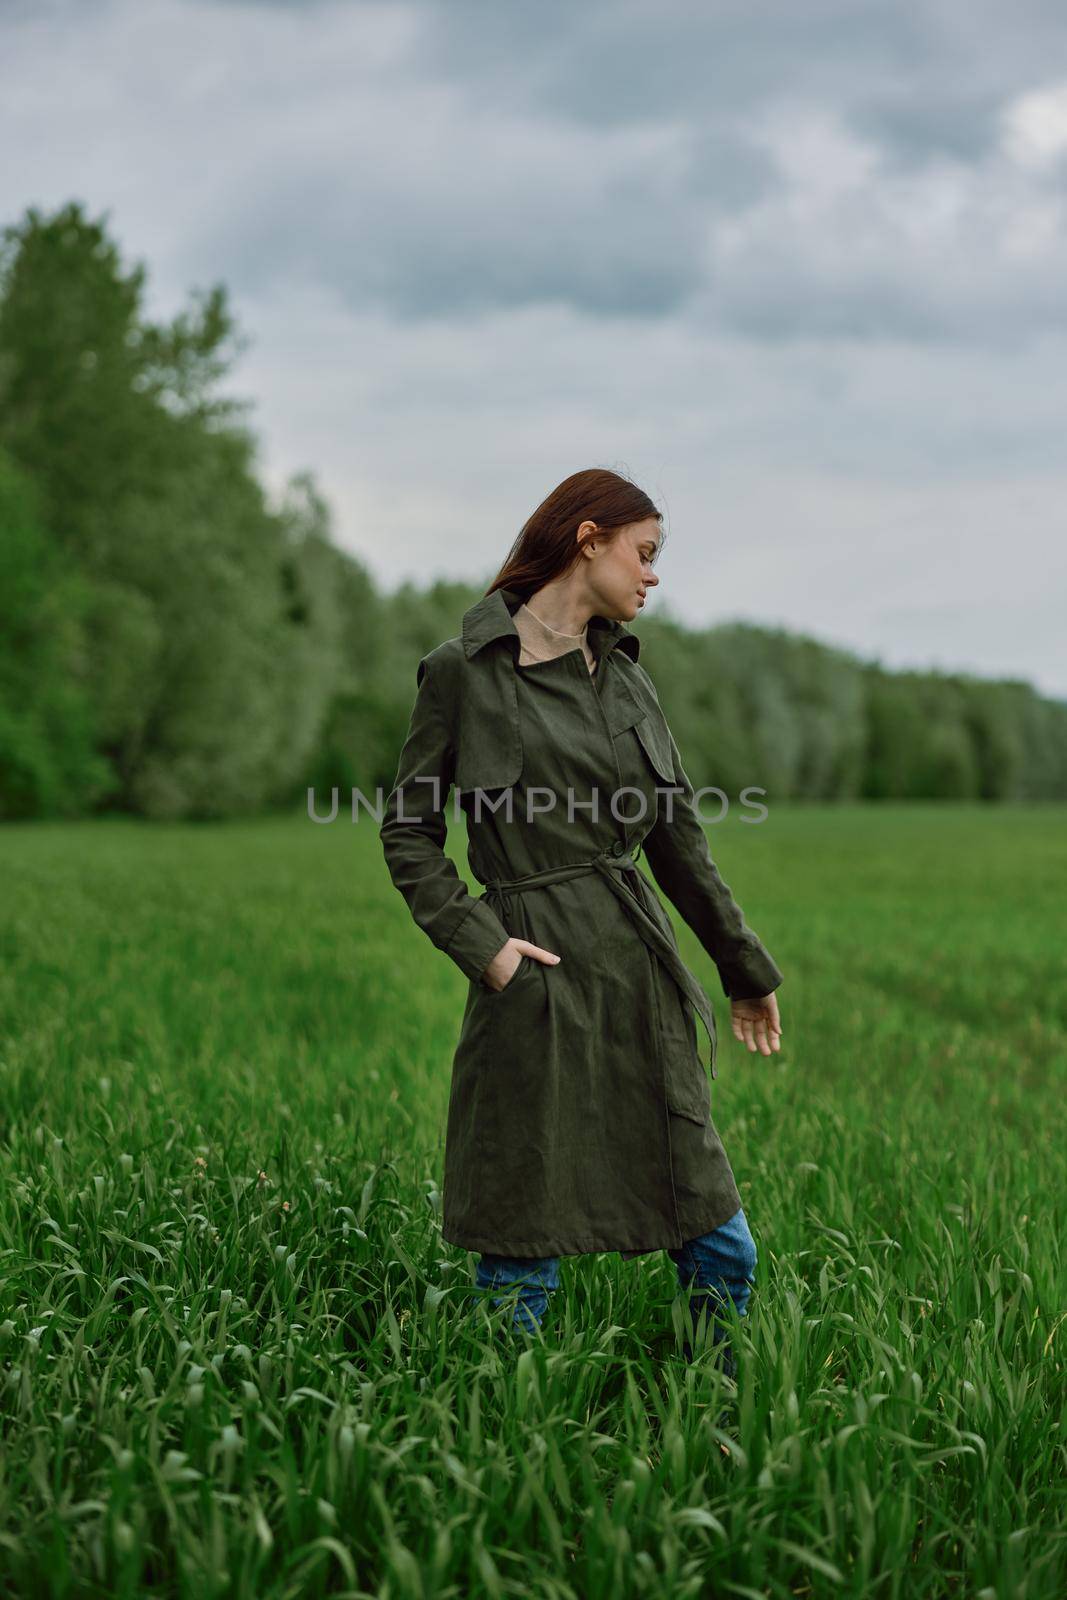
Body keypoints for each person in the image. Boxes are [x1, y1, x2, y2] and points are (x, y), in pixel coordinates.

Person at [379, 468, 783, 1374]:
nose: (652, 576)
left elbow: (677, 840)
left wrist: (741, 964)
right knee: (522, 1257)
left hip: (640, 977)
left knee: (719, 1244)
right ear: (588, 538)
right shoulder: (461, 674)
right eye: (645, 554)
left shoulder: (632, 686)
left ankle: (708, 1420)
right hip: (536, 976)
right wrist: (485, 950)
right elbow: (408, 834)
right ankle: (502, 1442)